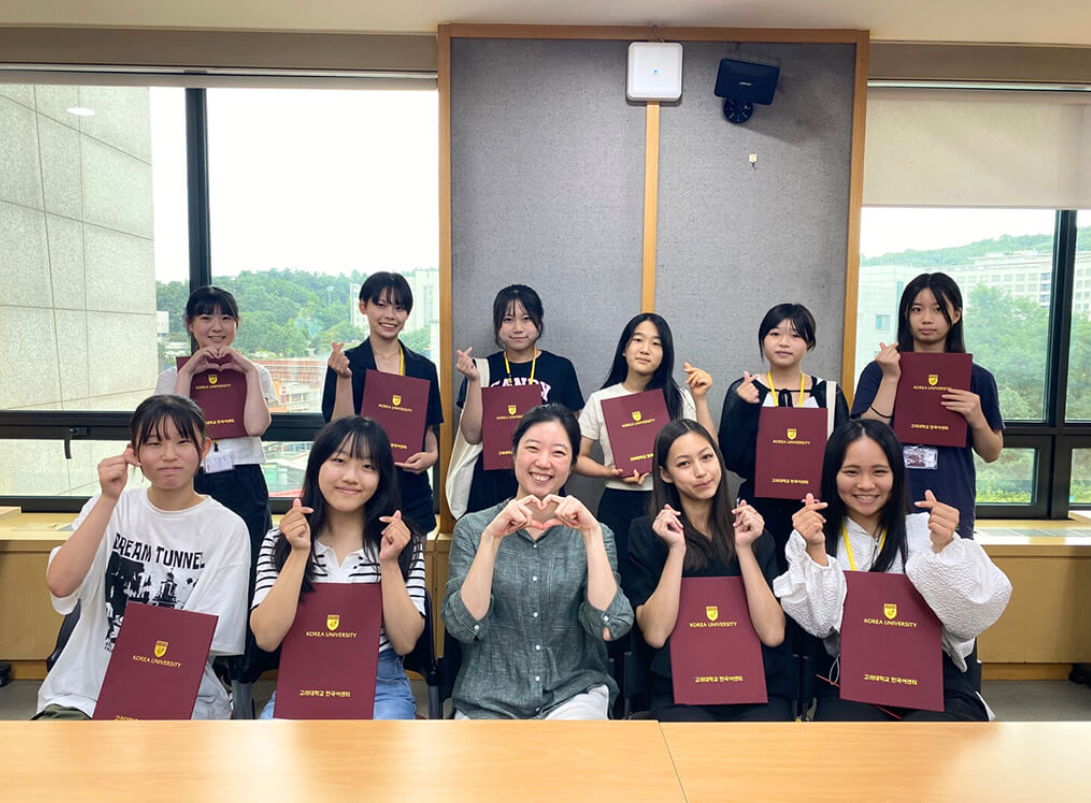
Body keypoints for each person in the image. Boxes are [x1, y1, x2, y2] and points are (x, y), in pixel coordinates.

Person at [774, 419, 1012, 721]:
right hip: (853, 676)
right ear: (832, 474)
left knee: (937, 735)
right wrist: (816, 550)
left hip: (931, 674)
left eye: (879, 472)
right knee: (847, 737)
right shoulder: (812, 535)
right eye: (851, 472)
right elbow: (820, 625)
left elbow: (969, 621)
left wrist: (944, 549)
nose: (865, 485)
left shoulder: (925, 531)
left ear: (897, 475)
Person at [35, 395, 250, 720]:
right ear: (134, 452)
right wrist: (108, 498)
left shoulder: (227, 528)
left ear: (204, 449)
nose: (169, 455)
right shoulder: (111, 507)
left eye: (182, 442)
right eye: (154, 443)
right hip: (85, 694)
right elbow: (61, 584)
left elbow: (208, 635)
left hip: (180, 697)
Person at [442, 404, 633, 719]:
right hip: (487, 700)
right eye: (532, 448)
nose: (543, 462)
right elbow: (462, 626)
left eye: (558, 452)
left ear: (572, 464)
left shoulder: (596, 533)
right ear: (513, 454)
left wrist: (591, 536)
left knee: (576, 750)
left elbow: (610, 626)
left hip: (572, 696)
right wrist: (491, 541)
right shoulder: (475, 529)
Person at [249, 417, 425, 719]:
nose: (351, 477)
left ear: (382, 477)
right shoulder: (280, 540)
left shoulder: (402, 541)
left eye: (367, 466)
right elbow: (266, 638)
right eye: (339, 461)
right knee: (271, 747)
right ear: (317, 465)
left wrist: (389, 562)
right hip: (302, 677)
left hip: (380, 684)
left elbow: (405, 641)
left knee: (375, 748)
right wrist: (299, 553)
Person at [625, 420, 793, 721]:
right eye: (684, 464)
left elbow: (772, 634)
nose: (701, 472)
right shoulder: (647, 534)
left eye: (707, 457)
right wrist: (676, 551)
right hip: (680, 693)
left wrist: (745, 550)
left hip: (756, 689)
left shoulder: (752, 531)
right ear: (665, 474)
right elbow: (655, 634)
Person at [853, 272, 1004, 539]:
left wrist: (977, 417)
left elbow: (992, 453)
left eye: (937, 309)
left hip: (950, 501)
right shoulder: (878, 371)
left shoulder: (978, 378)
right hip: (885, 499)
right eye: (917, 309)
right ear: (905, 314)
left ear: (956, 314)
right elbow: (864, 437)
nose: (926, 319)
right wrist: (891, 378)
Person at [576, 313, 715, 572]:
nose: (645, 349)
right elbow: (577, 459)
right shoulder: (600, 399)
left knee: (671, 574)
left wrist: (700, 399)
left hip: (670, 499)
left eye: (656, 343)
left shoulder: (679, 398)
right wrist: (610, 472)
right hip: (618, 502)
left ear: (665, 354)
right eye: (638, 340)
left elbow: (710, 451)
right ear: (624, 349)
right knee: (615, 574)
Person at [155, 286, 276, 581]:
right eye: (206, 318)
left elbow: (256, 427)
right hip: (190, 477)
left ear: (237, 323)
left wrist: (248, 372)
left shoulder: (256, 372)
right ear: (189, 323)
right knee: (190, 565)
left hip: (243, 476)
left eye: (226, 318)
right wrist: (187, 374)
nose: (217, 327)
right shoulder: (171, 377)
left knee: (249, 563)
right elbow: (173, 430)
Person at [720, 303, 850, 573]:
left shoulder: (828, 393)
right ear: (763, 339)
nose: (784, 342)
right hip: (758, 507)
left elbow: (843, 456)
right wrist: (744, 408)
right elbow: (731, 458)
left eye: (795, 335)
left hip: (811, 509)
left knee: (811, 579)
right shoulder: (745, 390)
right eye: (775, 334)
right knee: (759, 579)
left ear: (809, 343)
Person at [322, 272, 443, 535]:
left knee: (412, 561)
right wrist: (344, 379)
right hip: (359, 489)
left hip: (411, 490)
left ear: (407, 314)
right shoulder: (346, 364)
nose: (390, 315)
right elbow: (338, 430)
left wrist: (432, 456)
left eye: (399, 308)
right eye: (381, 305)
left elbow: (429, 429)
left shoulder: (423, 368)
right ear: (363, 307)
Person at [452, 284, 584, 515]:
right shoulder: (482, 368)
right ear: (497, 324)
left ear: (539, 320)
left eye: (526, 319)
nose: (518, 328)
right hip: (490, 485)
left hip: (542, 480)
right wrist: (474, 380)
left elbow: (572, 436)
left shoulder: (560, 368)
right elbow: (472, 435)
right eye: (508, 319)